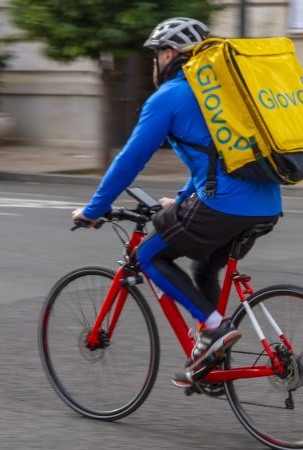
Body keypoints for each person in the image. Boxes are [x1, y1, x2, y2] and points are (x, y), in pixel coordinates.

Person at [70, 17, 282, 386]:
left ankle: (214, 330)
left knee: (149, 255)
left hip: (225, 205)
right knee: (203, 267)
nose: (155, 64)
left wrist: (94, 209)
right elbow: (216, 158)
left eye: (156, 56)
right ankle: (213, 366)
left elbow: (129, 160)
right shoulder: (223, 95)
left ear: (169, 54)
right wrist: (183, 198)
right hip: (268, 203)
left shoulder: (168, 97)